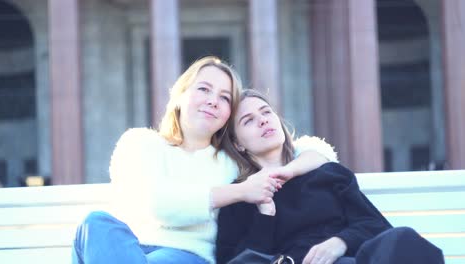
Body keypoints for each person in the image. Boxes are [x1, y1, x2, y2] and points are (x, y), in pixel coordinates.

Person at [71, 56, 338, 264]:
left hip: (188, 256)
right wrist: (241, 191)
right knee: (97, 223)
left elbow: (318, 150)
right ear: (179, 96)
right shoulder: (140, 144)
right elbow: (157, 205)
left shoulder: (232, 160)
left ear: (227, 115)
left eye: (224, 98)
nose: (213, 101)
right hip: (124, 250)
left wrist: (287, 171)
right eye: (204, 89)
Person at [216, 89, 444, 264]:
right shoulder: (239, 197)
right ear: (237, 143)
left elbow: (375, 225)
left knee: (403, 239)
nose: (263, 120)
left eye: (266, 112)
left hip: (352, 259)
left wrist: (340, 242)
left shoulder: (327, 173)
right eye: (248, 120)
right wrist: (264, 218)